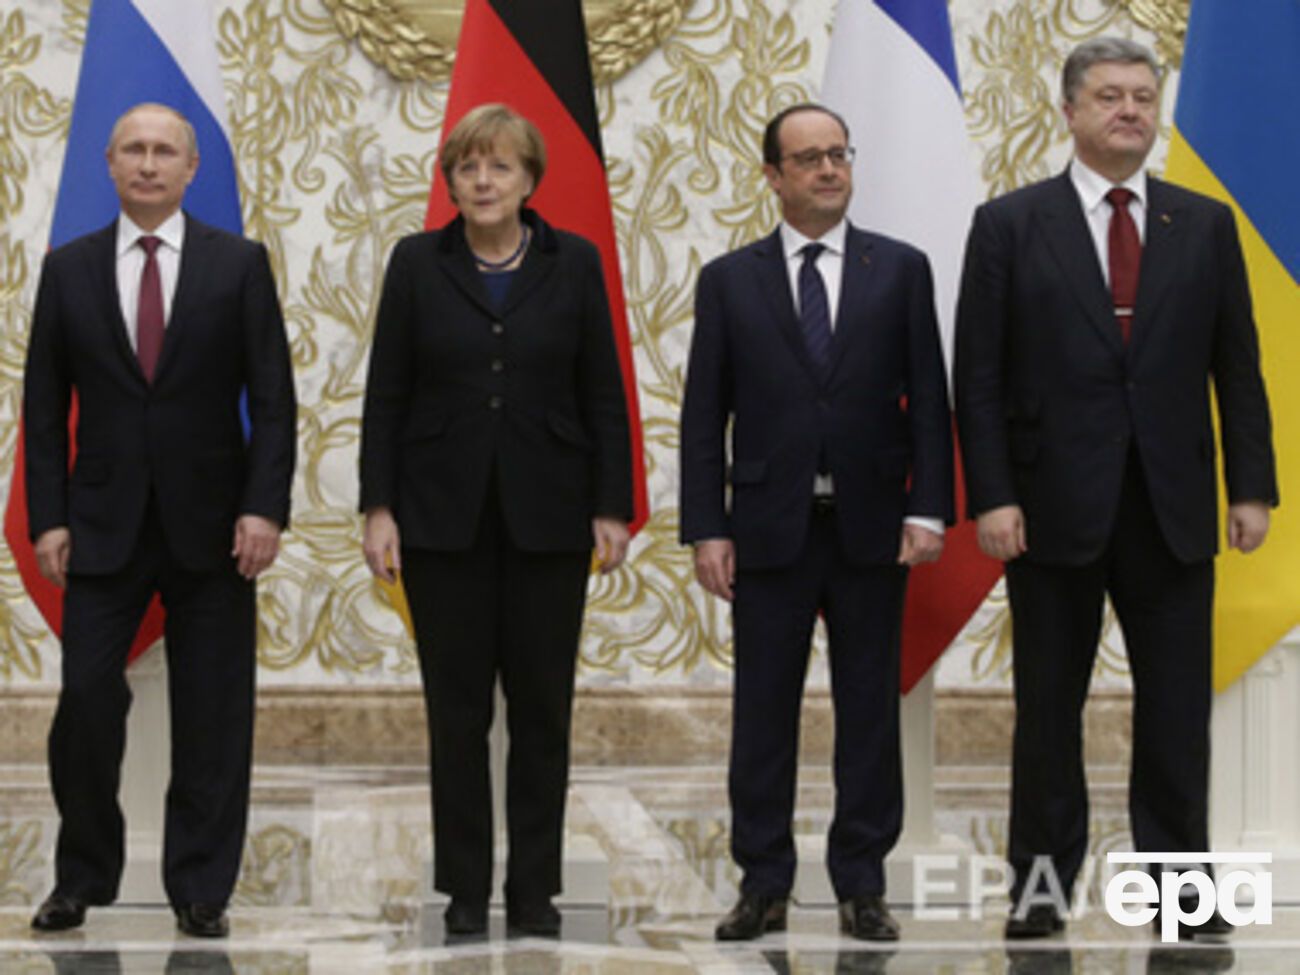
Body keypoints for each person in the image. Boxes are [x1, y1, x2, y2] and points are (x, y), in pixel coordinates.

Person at [954, 37, 1277, 940]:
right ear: (1070, 111)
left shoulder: (1202, 225)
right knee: (1047, 711)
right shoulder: (1010, 225)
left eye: (1143, 96)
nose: (1130, 110)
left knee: (1176, 712)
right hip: (1050, 508)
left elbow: (1237, 369)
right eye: (1109, 97)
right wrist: (993, 495)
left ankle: (1182, 896)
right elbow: (976, 377)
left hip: (1173, 509)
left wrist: (1250, 486)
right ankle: (1040, 893)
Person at [680, 103, 954, 942]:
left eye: (838, 154)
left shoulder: (900, 269)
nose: (828, 169)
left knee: (869, 708)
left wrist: (928, 505)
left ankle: (861, 882)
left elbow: (928, 401)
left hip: (872, 524)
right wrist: (707, 527)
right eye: (808, 159)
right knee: (764, 710)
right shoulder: (731, 279)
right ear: (774, 176)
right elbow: (704, 415)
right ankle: (763, 879)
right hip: (767, 527)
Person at [359, 103, 633, 937]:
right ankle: (467, 890)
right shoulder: (416, 262)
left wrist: (612, 505)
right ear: (451, 181)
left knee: (543, 710)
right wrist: (379, 505)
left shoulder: (575, 263)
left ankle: (534, 891)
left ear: (529, 180)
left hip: (550, 518)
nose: (483, 180)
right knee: (458, 714)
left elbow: (602, 392)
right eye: (469, 167)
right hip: (442, 519)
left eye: (501, 166)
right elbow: (388, 393)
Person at [23, 103, 296, 937]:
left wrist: (263, 507)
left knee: (214, 712)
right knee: (88, 704)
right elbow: (42, 408)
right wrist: (48, 518)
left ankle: (201, 885)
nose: (148, 163)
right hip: (100, 523)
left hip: (215, 527)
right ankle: (81, 877)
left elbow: (275, 401)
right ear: (109, 165)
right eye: (133, 150)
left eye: (164, 151)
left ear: (191, 169)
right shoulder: (68, 268)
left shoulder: (238, 264)